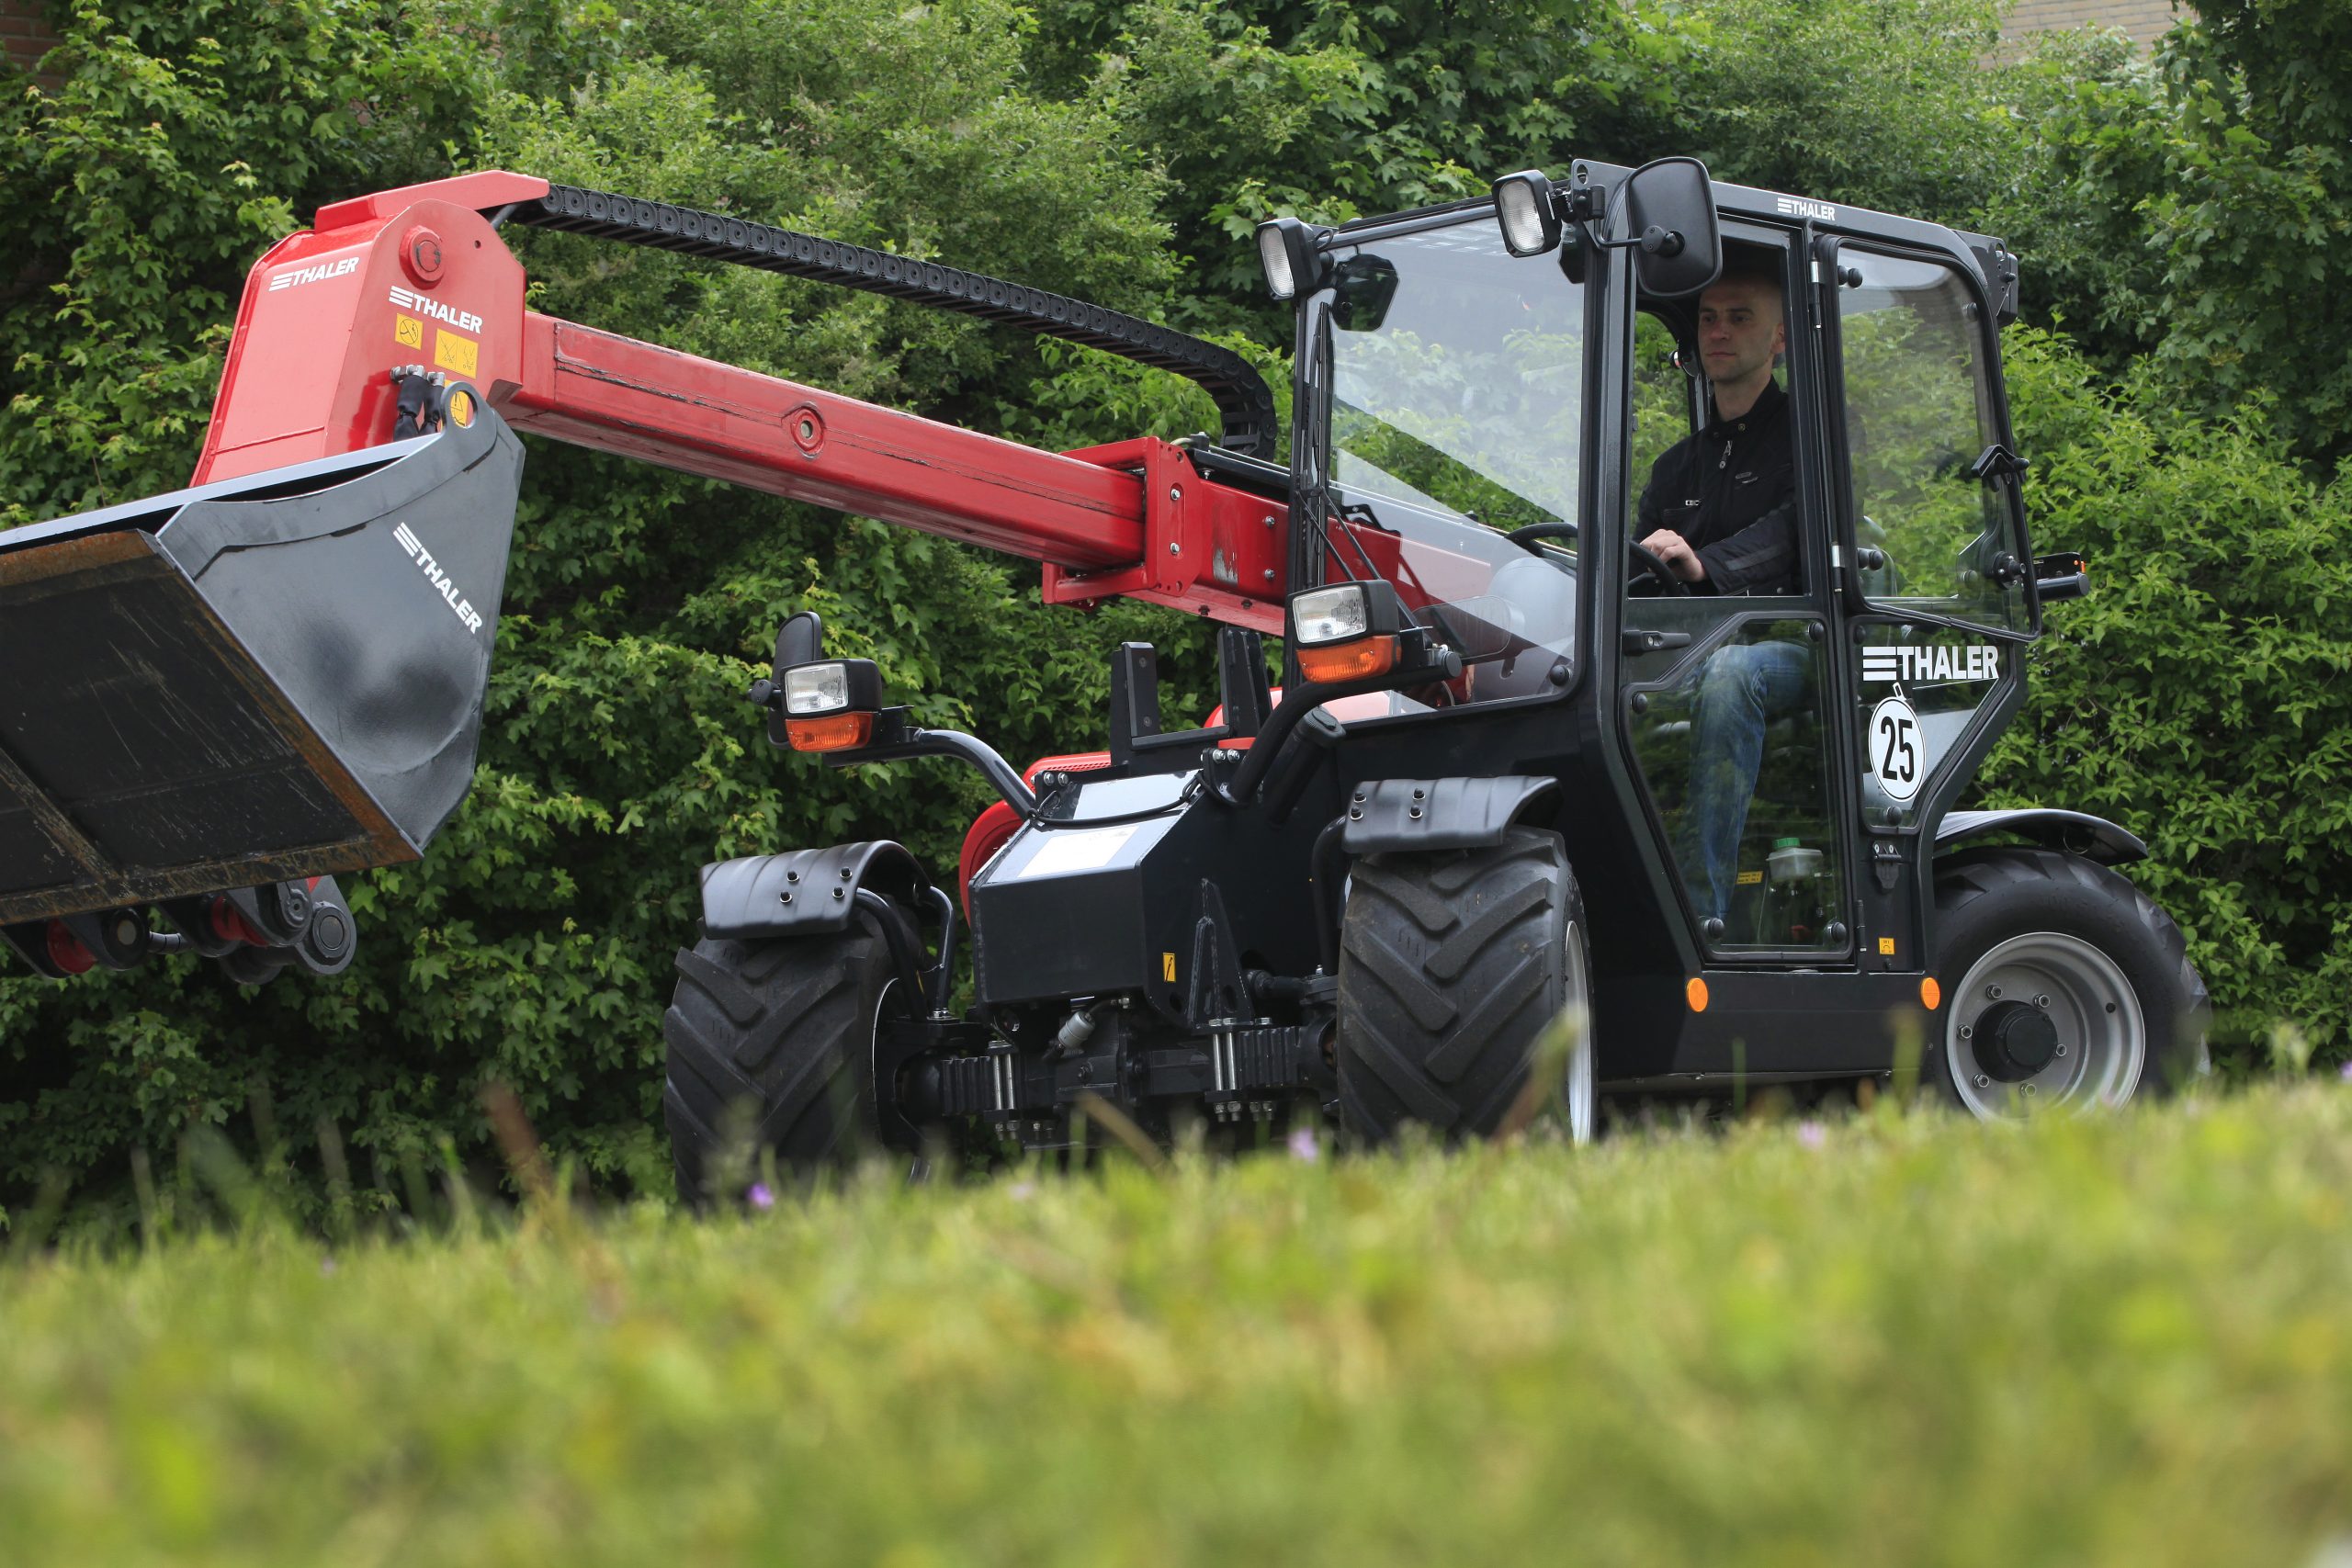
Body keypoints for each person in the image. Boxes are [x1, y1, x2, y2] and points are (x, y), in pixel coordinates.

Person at [1631, 261, 1810, 928]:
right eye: (1709, 318)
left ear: (1780, 339)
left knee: (1734, 674)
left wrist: (1703, 564)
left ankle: (1695, 912)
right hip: (1686, 649)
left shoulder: (1813, 438)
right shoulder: (1676, 466)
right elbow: (1638, 563)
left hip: (1791, 645)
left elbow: (1794, 533)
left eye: (1740, 318)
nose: (1719, 332)